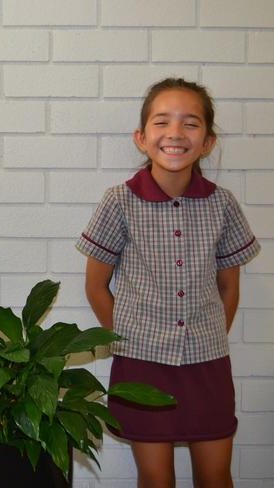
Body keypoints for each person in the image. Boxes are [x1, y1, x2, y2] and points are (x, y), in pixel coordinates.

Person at [76, 78, 260, 488]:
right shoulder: (118, 201)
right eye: (162, 122)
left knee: (216, 476)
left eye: (190, 124)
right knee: (156, 478)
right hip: (142, 365)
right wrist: (129, 338)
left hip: (207, 363)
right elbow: (95, 286)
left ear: (208, 141)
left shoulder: (223, 204)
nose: (175, 134)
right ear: (142, 138)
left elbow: (229, 287)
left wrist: (208, 336)